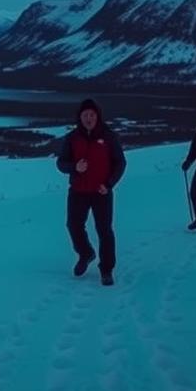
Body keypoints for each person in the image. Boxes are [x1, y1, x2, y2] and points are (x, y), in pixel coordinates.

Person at [55, 98, 127, 286]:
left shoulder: (108, 136)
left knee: (104, 231)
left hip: (101, 191)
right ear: (80, 117)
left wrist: (109, 183)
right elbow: (60, 163)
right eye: (85, 115)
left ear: (98, 117)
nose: (89, 118)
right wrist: (74, 167)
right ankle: (86, 254)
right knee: (73, 225)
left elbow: (120, 162)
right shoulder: (72, 138)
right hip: (78, 190)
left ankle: (107, 270)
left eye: (92, 115)